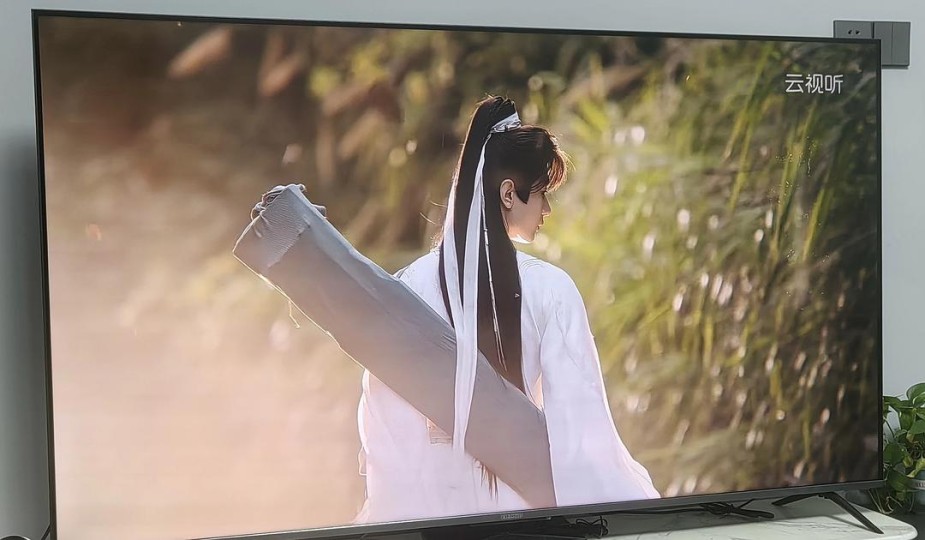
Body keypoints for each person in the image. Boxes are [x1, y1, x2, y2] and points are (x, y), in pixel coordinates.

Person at [356, 96, 658, 523]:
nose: (547, 210)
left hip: (434, 516)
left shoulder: (408, 286)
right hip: (520, 511)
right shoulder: (550, 290)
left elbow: (386, 426)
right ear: (508, 193)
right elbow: (581, 437)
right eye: (542, 194)